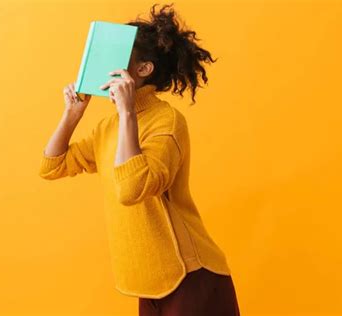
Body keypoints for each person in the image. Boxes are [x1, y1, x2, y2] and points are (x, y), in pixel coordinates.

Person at [39, 3, 241, 315]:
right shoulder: (109, 128)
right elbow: (52, 166)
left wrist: (128, 112)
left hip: (189, 276)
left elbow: (132, 189)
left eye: (116, 54)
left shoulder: (166, 122)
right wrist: (72, 115)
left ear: (143, 70)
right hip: (149, 285)